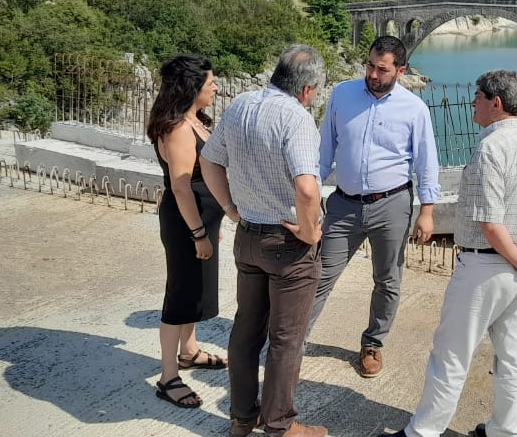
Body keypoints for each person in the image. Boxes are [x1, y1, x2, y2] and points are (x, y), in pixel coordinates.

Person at [380, 69, 517, 437]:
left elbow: (490, 224)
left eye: (477, 96)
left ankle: (424, 432)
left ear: (496, 103)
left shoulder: (490, 148)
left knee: (451, 353)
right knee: (513, 357)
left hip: (487, 265)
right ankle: (504, 430)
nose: (472, 103)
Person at [200, 45, 329, 437]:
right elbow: (307, 188)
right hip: (287, 244)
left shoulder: (240, 105)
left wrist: (230, 207)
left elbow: (209, 159)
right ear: (307, 90)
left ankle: (242, 419)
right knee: (286, 341)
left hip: (248, 236)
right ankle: (280, 426)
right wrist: (308, 232)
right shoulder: (297, 118)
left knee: (245, 331)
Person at [310, 35, 440, 378]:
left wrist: (427, 211)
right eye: (369, 65)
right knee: (318, 275)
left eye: (381, 69)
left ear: (401, 70)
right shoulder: (343, 93)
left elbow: (426, 162)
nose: (372, 74)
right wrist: (310, 194)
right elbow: (325, 149)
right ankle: (293, 341)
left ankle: (373, 344)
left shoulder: (415, 109)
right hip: (343, 206)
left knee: (388, 280)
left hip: (392, 205)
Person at [145, 54, 228, 409]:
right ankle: (168, 377)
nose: (216, 87)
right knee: (179, 296)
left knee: (196, 290)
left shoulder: (194, 120)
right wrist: (198, 233)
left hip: (200, 220)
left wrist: (211, 225)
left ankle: (189, 351)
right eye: (210, 83)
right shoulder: (178, 128)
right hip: (184, 223)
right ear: (192, 87)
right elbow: (182, 187)